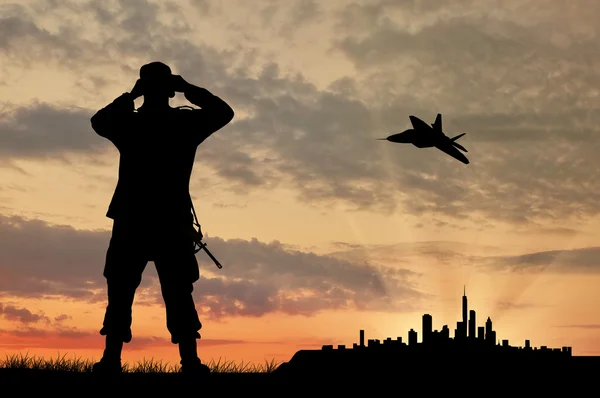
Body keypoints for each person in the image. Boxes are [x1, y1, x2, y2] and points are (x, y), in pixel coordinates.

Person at [89, 61, 234, 377]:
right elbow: (224, 112)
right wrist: (189, 88)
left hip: (134, 219)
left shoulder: (129, 123)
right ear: (171, 88)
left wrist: (130, 96)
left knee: (125, 290)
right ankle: (190, 362)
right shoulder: (184, 124)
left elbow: (99, 121)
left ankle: (112, 360)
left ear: (144, 88)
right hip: (169, 220)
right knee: (176, 291)